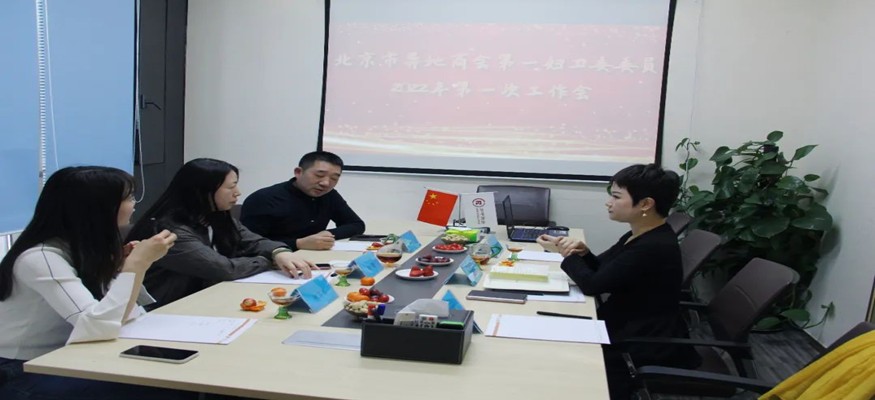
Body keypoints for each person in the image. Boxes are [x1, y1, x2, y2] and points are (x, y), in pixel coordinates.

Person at [0, 166, 195, 399]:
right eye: (128, 198)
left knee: (179, 375)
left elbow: (127, 314)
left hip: (69, 355)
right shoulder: (40, 257)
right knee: (165, 385)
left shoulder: (85, 248)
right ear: (99, 208)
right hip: (23, 368)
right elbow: (97, 326)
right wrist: (136, 265)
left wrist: (121, 268)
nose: (134, 204)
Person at [538, 164, 701, 400]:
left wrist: (567, 255)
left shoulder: (652, 246)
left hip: (639, 341)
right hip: (628, 325)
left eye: (616, 197)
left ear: (645, 204)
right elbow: (605, 271)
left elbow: (593, 285)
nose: (608, 203)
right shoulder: (641, 234)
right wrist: (584, 254)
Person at [126, 158, 315, 307]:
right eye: (231, 187)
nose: (238, 192)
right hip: (163, 309)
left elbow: (254, 241)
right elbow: (224, 269)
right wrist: (268, 260)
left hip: (204, 298)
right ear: (203, 191)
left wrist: (279, 252)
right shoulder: (169, 231)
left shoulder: (216, 216)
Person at [241, 151, 365, 251]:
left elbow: (356, 224)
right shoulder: (264, 199)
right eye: (319, 175)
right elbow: (249, 244)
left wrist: (326, 235)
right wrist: (299, 243)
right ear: (298, 172)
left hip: (312, 256)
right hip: (273, 261)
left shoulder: (329, 195)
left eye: (334, 178)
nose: (326, 183)